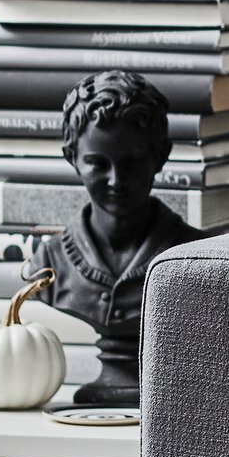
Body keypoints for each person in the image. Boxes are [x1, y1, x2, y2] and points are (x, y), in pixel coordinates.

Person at [34, 69, 199, 406]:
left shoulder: (196, 257)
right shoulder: (48, 265)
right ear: (71, 158)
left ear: (161, 156)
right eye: (97, 163)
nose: (115, 180)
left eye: (132, 163)